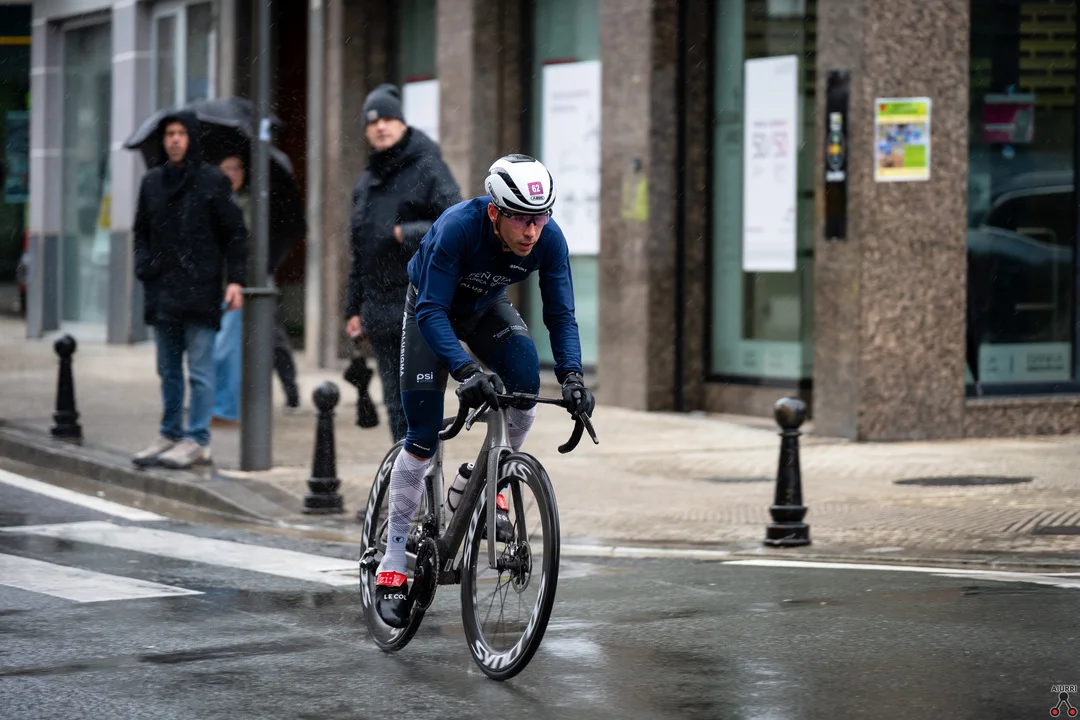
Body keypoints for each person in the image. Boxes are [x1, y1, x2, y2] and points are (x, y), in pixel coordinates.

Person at [373, 154, 596, 627]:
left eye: (540, 217)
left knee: (525, 384)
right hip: (431, 312)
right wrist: (465, 370)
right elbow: (431, 310)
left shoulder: (548, 239)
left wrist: (573, 377)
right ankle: (392, 563)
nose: (532, 231)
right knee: (422, 436)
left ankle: (483, 481)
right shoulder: (458, 228)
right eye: (521, 219)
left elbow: (561, 315)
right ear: (495, 212)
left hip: (485, 309)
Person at [344, 83, 461, 442]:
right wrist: (352, 309)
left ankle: (424, 472)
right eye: (372, 122)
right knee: (396, 405)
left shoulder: (428, 167)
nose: (381, 126)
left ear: (402, 123)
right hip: (379, 312)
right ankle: (404, 476)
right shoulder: (366, 182)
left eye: (388, 119)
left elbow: (456, 224)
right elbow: (360, 253)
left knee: (421, 405)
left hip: (422, 305)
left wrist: (404, 233)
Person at [131, 111, 247, 469]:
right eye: (170, 133)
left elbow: (235, 234)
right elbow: (141, 232)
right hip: (162, 291)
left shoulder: (213, 181)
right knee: (167, 370)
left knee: (200, 371)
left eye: (181, 133)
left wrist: (235, 280)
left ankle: (197, 438)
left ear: (192, 139)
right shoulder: (152, 182)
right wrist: (145, 267)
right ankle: (169, 432)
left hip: (201, 291)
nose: (175, 139)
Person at [211, 155, 302, 426]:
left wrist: (265, 265)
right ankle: (219, 402)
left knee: (272, 338)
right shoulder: (213, 199)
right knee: (222, 345)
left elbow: (267, 236)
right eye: (225, 168)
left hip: (256, 279)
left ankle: (290, 390)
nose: (231, 174)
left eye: (236, 168)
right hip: (222, 282)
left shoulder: (256, 201)